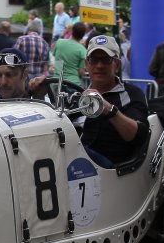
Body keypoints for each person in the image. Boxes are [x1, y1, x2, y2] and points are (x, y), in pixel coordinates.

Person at [44, 34, 149, 169]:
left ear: (117, 65)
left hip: (113, 167)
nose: (99, 66)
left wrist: (108, 109)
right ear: (87, 65)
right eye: (94, 60)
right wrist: (39, 95)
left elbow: (139, 136)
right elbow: (55, 124)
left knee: (73, 151)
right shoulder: (79, 96)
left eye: (106, 60)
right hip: (78, 167)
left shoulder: (131, 94)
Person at [52, 21, 88, 86]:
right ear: (83, 34)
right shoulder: (83, 50)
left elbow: (55, 60)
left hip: (56, 81)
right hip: (73, 84)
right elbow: (81, 72)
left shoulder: (59, 42)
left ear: (72, 31)